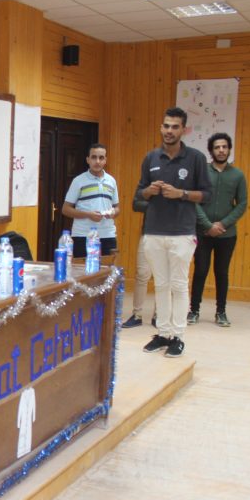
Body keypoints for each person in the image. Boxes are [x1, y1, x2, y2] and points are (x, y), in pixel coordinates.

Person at [134, 106, 211, 358]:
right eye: (166, 126)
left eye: (175, 127)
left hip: (182, 232)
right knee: (161, 284)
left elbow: (207, 195)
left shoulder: (196, 158)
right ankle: (163, 333)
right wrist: (150, 191)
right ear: (161, 127)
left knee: (178, 285)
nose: (169, 130)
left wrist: (182, 194)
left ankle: (178, 336)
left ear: (183, 130)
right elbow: (139, 194)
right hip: (154, 231)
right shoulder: (151, 158)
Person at [188, 132, 248, 327]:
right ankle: (194, 310)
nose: (221, 150)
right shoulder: (202, 172)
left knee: (221, 272)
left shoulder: (237, 175)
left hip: (226, 234)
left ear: (229, 149)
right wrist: (207, 225)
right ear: (211, 151)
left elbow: (242, 204)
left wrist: (222, 224)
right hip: (202, 232)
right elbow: (194, 200)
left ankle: (221, 312)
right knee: (200, 271)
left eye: (224, 147)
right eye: (217, 147)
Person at [62, 143, 120, 258]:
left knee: (107, 269)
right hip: (83, 236)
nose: (97, 161)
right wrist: (88, 215)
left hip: (107, 235)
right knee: (82, 269)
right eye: (94, 157)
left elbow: (117, 207)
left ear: (105, 160)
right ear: (88, 160)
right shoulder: (78, 181)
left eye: (101, 158)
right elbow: (65, 209)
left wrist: (113, 212)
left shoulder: (111, 181)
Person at [120, 196, 155, 329]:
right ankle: (137, 314)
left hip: (168, 235)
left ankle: (158, 315)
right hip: (148, 233)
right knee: (142, 274)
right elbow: (136, 204)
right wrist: (157, 204)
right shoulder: (150, 184)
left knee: (162, 278)